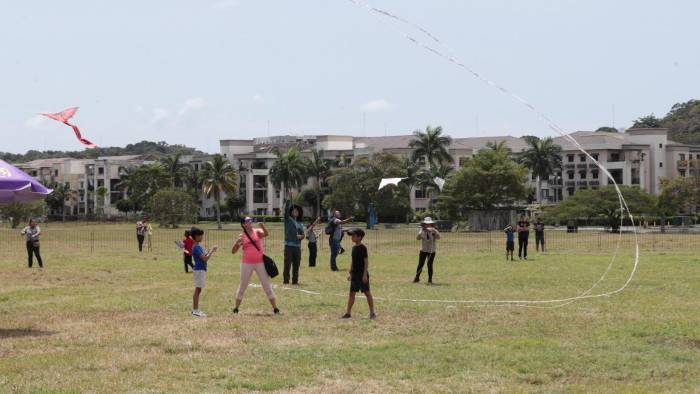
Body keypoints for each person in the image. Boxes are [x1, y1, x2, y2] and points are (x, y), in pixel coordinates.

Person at [231, 217, 280, 315]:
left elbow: (266, 234)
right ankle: (236, 308)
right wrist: (236, 244)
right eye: (248, 221)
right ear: (243, 224)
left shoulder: (257, 231)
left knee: (266, 285)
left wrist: (262, 226)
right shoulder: (242, 236)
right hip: (246, 263)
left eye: (250, 221)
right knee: (243, 286)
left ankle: (275, 308)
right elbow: (233, 251)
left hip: (260, 262)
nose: (250, 222)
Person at [341, 228, 376, 320]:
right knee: (351, 293)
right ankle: (348, 313)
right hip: (355, 274)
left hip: (362, 274)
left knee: (367, 293)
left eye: (353, 235)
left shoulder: (363, 248)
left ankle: (372, 313)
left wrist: (365, 275)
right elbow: (353, 261)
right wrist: (350, 273)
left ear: (359, 237)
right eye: (351, 235)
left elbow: (366, 262)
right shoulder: (354, 248)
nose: (351, 237)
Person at [190, 227, 218, 317]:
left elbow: (204, 255)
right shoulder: (196, 248)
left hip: (200, 270)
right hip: (199, 270)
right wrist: (212, 251)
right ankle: (195, 310)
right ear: (196, 236)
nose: (202, 237)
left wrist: (210, 250)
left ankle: (195, 310)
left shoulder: (198, 246)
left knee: (198, 289)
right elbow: (205, 259)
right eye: (200, 235)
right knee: (198, 290)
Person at [283, 191, 305, 284]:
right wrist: (288, 198)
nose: (295, 212)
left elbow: (303, 235)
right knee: (287, 264)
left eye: (297, 211)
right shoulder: (288, 219)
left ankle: (295, 281)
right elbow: (286, 209)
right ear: (291, 212)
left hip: (297, 247)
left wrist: (301, 236)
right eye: (294, 210)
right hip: (288, 246)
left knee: (296, 264)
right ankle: (286, 281)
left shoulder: (300, 224)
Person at [413, 217, 440, 284]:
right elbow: (417, 238)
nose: (428, 225)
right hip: (423, 250)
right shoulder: (422, 230)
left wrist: (433, 233)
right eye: (426, 224)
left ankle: (430, 280)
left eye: (429, 224)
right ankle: (417, 278)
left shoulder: (434, 230)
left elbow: (438, 237)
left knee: (429, 264)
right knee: (420, 264)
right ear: (424, 224)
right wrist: (421, 233)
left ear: (431, 224)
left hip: (431, 251)